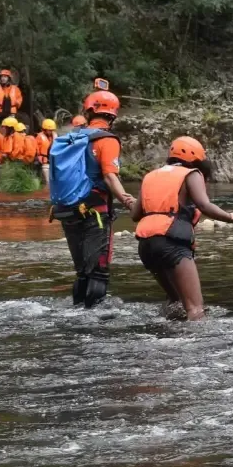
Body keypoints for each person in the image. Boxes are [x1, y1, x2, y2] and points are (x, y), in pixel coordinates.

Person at [131, 136, 233, 320]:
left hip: (146, 246)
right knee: (195, 308)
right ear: (195, 157)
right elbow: (204, 205)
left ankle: (165, 337)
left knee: (176, 301)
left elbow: (135, 215)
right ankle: (196, 346)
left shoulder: (150, 176)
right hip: (171, 243)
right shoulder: (191, 174)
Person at [49, 89, 135, 308]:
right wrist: (128, 200)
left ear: (88, 112)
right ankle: (94, 321)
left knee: (82, 272)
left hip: (68, 210)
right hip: (96, 212)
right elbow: (109, 176)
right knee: (98, 271)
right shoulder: (107, 140)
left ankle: (76, 313)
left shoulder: (72, 138)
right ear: (112, 115)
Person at [35, 119, 56, 185]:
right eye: (49, 130)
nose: (51, 131)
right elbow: (36, 148)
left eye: (52, 130)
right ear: (44, 129)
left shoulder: (55, 135)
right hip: (44, 160)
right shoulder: (39, 136)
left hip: (53, 159)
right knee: (47, 178)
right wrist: (39, 157)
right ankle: (47, 187)